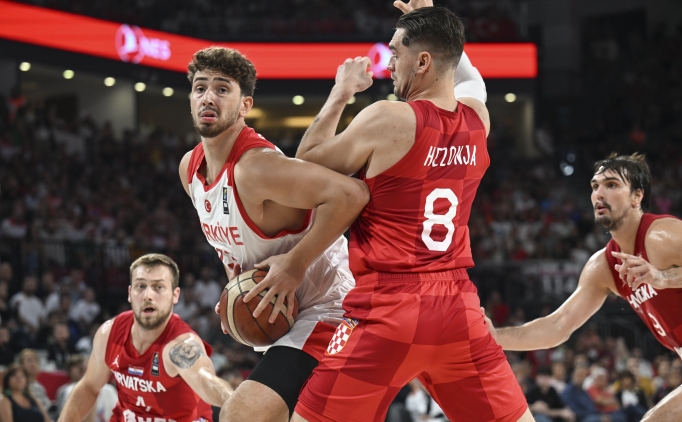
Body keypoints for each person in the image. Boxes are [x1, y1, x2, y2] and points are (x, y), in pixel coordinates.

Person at [290, 2, 532, 421]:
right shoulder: (478, 120)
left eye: (395, 52)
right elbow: (471, 80)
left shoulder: (389, 117)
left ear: (422, 62)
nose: (388, 64)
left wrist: (341, 92)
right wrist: (435, 17)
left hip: (388, 307)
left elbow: (304, 167)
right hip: (458, 308)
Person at [178, 45, 368, 421]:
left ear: (244, 105)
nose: (208, 97)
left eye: (222, 89)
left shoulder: (256, 168)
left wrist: (295, 265)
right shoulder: (190, 169)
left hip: (332, 308)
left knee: (241, 415)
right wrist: (235, 289)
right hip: (288, 314)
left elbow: (352, 195)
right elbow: (232, 244)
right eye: (200, 88)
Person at [485, 152, 682, 422]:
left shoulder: (662, 235)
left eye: (612, 185)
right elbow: (558, 327)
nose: (599, 193)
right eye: (595, 186)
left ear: (637, 196)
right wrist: (494, 337)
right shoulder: (603, 266)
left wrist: (663, 278)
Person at [57, 253, 233, 422]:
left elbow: (204, 380)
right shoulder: (109, 333)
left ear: (175, 295)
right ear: (130, 293)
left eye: (158, 287)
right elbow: (89, 387)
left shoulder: (180, 344)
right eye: (140, 286)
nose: (148, 295)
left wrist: (234, 400)